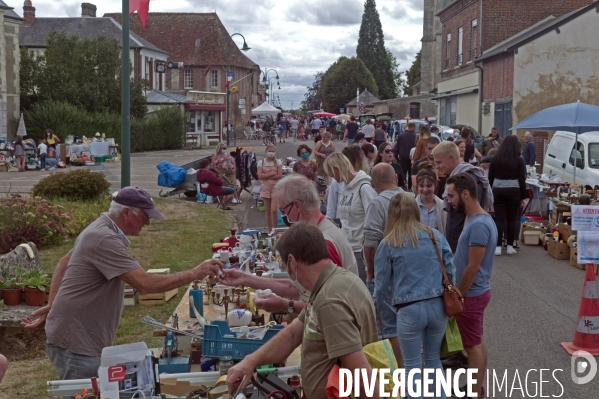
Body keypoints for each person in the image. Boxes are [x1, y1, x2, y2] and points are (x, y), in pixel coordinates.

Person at [21, 187, 224, 381]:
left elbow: (63, 262)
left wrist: (53, 304)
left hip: (76, 337)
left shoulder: (102, 228)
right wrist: (195, 273)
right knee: (84, 392)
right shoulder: (103, 237)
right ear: (126, 212)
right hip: (75, 342)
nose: (148, 223)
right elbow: (144, 285)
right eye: (146, 217)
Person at [226, 223, 378, 399]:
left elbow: (362, 379)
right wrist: (250, 361)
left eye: (285, 266)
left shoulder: (329, 301)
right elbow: (292, 334)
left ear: (292, 261)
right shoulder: (335, 282)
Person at [219, 174, 358, 313]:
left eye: (283, 210)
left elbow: (330, 309)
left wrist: (286, 306)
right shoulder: (321, 229)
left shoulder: (324, 243)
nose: (284, 216)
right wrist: (243, 278)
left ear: (297, 205)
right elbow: (297, 288)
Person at [374, 192, 455, 399]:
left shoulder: (389, 243)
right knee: (434, 360)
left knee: (412, 366)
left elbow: (381, 286)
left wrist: (377, 313)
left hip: (408, 309)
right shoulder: (434, 235)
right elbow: (450, 268)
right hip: (437, 306)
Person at [445, 173, 497, 399]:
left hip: (472, 295)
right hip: (476, 293)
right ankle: (477, 388)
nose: (449, 200)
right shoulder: (476, 219)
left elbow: (473, 266)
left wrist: (459, 294)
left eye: (451, 195)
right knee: (476, 341)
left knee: (472, 345)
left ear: (465, 193)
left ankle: (474, 394)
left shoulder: (479, 225)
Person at [363, 163, 404, 366]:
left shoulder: (378, 203)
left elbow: (371, 242)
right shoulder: (410, 198)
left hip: (388, 270)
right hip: (412, 271)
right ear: (395, 178)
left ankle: (400, 374)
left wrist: (371, 274)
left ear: (372, 183)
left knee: (389, 325)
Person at [432, 141, 493, 252]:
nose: (437, 167)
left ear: (451, 158)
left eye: (439, 162)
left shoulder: (469, 179)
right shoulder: (457, 177)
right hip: (456, 242)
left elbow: (472, 214)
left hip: (463, 246)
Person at [324, 153, 375, 282]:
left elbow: (373, 219)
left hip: (361, 249)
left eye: (330, 172)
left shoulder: (364, 187)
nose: (331, 176)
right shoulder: (345, 187)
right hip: (348, 246)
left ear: (337, 168)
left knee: (362, 287)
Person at [488, 135, 526, 256]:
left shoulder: (495, 158)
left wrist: (489, 193)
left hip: (498, 190)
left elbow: (490, 178)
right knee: (511, 219)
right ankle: (509, 246)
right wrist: (523, 196)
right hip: (514, 191)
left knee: (499, 219)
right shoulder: (519, 160)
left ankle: (498, 246)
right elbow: (522, 180)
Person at [257, 144, 283, 236]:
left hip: (275, 188)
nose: (271, 153)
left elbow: (279, 175)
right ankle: (269, 229)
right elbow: (260, 176)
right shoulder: (261, 162)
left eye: (273, 151)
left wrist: (266, 176)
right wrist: (272, 174)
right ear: (266, 151)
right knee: (267, 210)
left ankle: (275, 228)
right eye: (270, 151)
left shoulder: (278, 162)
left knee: (273, 209)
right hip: (265, 188)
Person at [415, 164, 446, 233]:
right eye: (421, 186)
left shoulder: (443, 206)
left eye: (429, 186)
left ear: (435, 185)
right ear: (417, 186)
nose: (425, 190)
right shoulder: (411, 206)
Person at [394, 122, 417, 191]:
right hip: (412, 157)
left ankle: (402, 186)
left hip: (403, 156)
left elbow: (397, 147)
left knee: (402, 172)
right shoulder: (415, 136)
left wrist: (396, 156)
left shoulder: (401, 136)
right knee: (411, 173)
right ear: (413, 127)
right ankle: (410, 187)